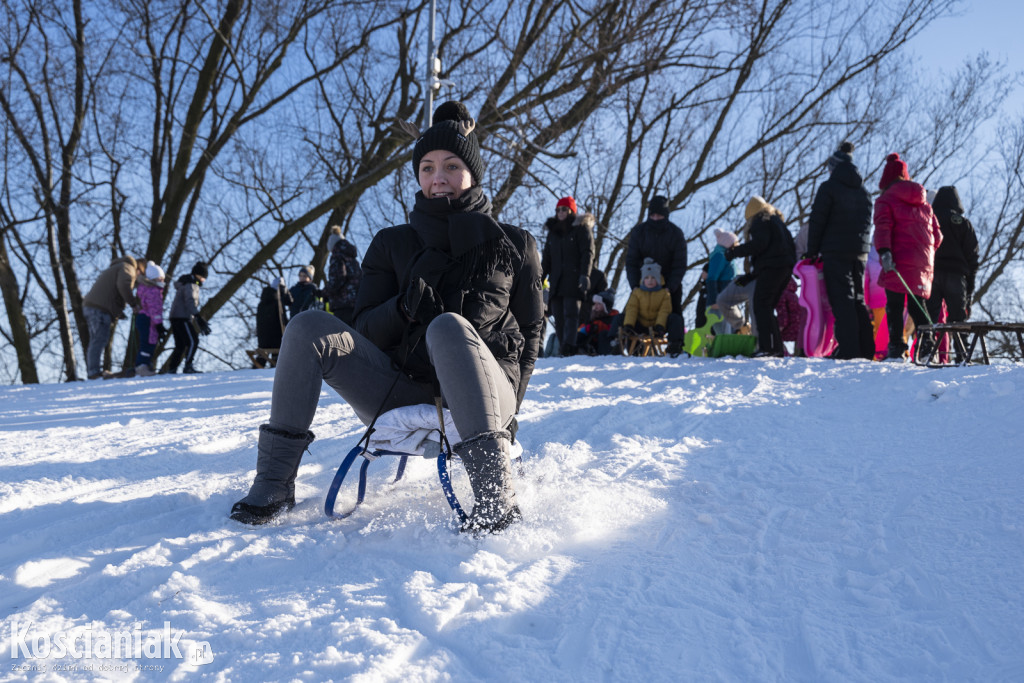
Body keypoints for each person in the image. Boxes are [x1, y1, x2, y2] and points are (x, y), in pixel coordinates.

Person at [230, 101, 545, 534]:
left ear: (472, 173)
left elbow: (530, 333)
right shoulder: (392, 243)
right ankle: (273, 482)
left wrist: (510, 414)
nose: (439, 178)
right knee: (306, 326)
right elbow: (360, 332)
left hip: (487, 391)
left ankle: (495, 500)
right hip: (402, 385)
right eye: (428, 167)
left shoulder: (513, 243)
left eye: (452, 166)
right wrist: (400, 311)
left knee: (448, 325)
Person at [805, 141, 875, 360]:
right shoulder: (864, 192)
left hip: (835, 251)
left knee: (842, 299)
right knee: (858, 299)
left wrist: (812, 251)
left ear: (833, 167)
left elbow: (818, 221)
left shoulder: (828, 188)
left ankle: (849, 350)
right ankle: (866, 348)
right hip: (860, 253)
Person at [872, 153, 943, 361]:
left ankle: (896, 348)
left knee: (894, 304)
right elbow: (938, 236)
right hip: (922, 261)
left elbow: (883, 226)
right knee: (917, 304)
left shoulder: (885, 200)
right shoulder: (925, 205)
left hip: (896, 257)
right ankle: (928, 348)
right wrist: (925, 254)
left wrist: (884, 251)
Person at [725, 196, 797, 357]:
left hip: (773, 268)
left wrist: (735, 252)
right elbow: (771, 250)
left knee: (761, 305)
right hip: (784, 268)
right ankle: (776, 348)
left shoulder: (760, 221)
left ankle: (767, 348)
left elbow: (760, 245)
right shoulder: (777, 222)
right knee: (768, 307)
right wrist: (751, 276)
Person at [927, 186, 979, 359]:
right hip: (957, 276)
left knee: (930, 318)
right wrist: (969, 292)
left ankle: (927, 353)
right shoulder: (963, 223)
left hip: (932, 274)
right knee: (958, 319)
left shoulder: (930, 219)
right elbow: (973, 257)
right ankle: (962, 355)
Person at [541, 196, 594, 356]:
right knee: (558, 316)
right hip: (556, 281)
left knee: (571, 314)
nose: (560, 212)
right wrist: (540, 278)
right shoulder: (553, 233)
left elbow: (588, 253)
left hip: (574, 279)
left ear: (571, 211)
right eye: (558, 209)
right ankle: (563, 347)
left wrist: (585, 275)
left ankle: (569, 347)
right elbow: (547, 259)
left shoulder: (581, 229)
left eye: (564, 209)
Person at [625, 195, 687, 315]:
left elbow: (680, 264)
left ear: (666, 216)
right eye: (652, 215)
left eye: (659, 215)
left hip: (669, 285)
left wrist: (670, 287)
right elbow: (631, 261)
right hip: (643, 284)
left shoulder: (676, 234)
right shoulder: (639, 232)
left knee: (675, 317)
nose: (655, 219)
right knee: (632, 314)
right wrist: (635, 285)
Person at [82, 256, 142, 379]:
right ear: (138, 270)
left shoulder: (115, 267)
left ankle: (93, 370)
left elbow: (111, 293)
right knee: (99, 339)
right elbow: (123, 286)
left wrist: (118, 312)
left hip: (92, 306)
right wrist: (133, 304)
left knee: (96, 340)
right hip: (100, 308)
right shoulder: (128, 268)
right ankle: (93, 372)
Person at [621, 258, 685, 356]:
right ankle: (616, 344)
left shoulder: (664, 293)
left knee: (675, 318)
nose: (650, 281)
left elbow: (664, 311)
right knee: (619, 318)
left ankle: (674, 347)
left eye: (653, 278)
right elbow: (632, 309)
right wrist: (629, 325)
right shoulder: (637, 293)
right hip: (641, 325)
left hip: (658, 326)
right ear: (643, 280)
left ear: (658, 279)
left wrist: (659, 326)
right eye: (647, 278)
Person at [166, 261, 211, 374]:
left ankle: (172, 368)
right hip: (182, 317)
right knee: (193, 341)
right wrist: (197, 316)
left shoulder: (186, 283)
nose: (204, 280)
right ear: (198, 275)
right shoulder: (191, 284)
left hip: (176, 316)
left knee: (180, 344)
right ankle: (188, 366)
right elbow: (189, 302)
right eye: (204, 277)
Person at [322, 225, 362, 325]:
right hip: (357, 304)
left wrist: (324, 292)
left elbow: (337, 280)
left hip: (342, 305)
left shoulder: (337, 256)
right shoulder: (353, 260)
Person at [134, 263, 167, 376]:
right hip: (149, 320)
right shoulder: (154, 291)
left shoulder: (147, 289)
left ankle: (145, 364)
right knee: (148, 342)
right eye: (160, 278)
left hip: (145, 318)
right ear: (154, 278)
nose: (163, 280)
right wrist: (159, 324)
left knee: (149, 341)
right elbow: (155, 309)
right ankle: (142, 365)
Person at [254, 278, 290, 366]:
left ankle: (253, 371)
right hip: (276, 338)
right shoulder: (278, 303)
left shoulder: (262, 303)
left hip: (263, 340)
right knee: (276, 361)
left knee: (261, 358)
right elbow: (282, 320)